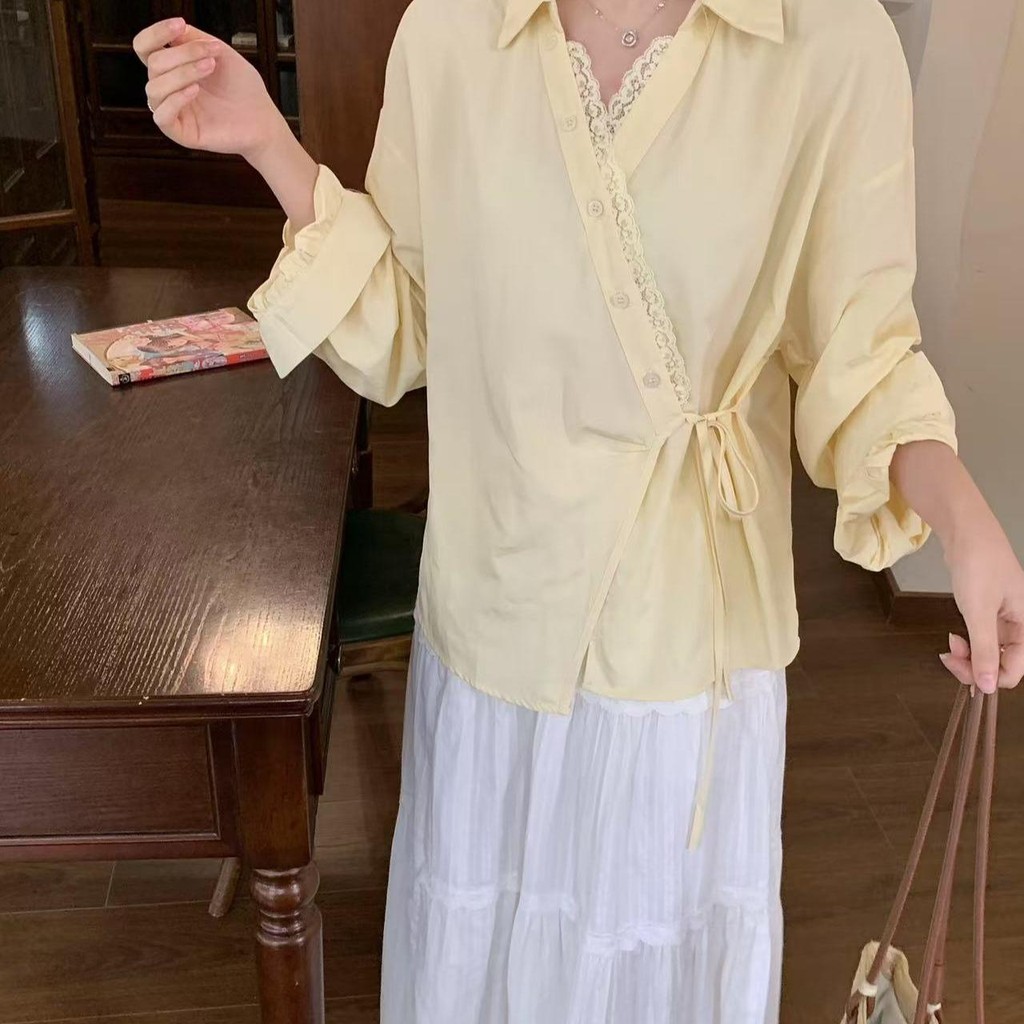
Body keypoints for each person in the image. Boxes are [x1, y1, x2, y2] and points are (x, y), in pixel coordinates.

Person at [134, 3, 1024, 1021]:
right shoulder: (453, 32)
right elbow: (410, 322)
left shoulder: (828, 42)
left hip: (682, 631)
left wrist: (965, 521)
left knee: (645, 965)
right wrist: (267, 141)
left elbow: (860, 358)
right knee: (487, 954)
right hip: (497, 605)